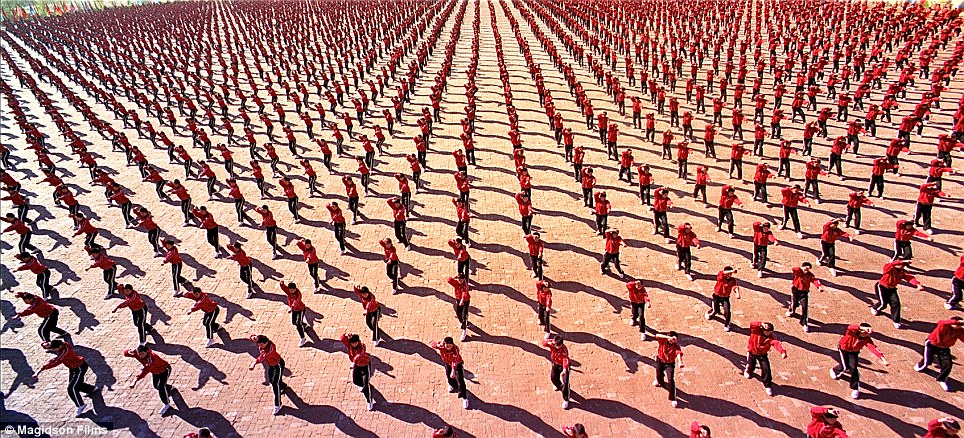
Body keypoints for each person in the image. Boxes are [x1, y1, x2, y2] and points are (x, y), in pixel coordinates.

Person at [32, 340, 96, 417]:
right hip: (73, 368)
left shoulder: (64, 353)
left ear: (59, 347)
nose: (52, 350)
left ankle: (81, 405)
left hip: (79, 368)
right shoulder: (64, 345)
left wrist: (40, 370)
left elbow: (54, 361)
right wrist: (46, 344)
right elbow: (49, 346)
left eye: (53, 349)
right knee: (76, 384)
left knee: (71, 388)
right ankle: (91, 389)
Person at [831, 323, 889, 399]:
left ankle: (855, 388)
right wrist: (861, 327)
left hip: (854, 352)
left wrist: (883, 358)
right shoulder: (852, 333)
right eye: (864, 332)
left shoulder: (867, 339)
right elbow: (850, 327)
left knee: (854, 368)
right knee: (845, 367)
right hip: (843, 349)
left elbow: (873, 348)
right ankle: (835, 370)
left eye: (867, 333)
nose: (865, 334)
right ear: (860, 330)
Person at [914, 317, 964, 392]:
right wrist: (957, 321)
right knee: (927, 361)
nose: (958, 326)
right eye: (956, 324)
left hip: (944, 348)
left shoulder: (959, 331)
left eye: (959, 325)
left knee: (948, 364)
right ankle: (920, 366)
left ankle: (942, 379)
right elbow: (942, 322)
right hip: (932, 344)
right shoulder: (944, 326)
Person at [124, 345, 175, 414]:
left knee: (161, 387)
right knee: (155, 386)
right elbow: (125, 354)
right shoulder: (138, 354)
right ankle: (170, 388)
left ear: (147, 352)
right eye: (139, 354)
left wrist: (135, 380)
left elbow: (145, 370)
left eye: (142, 354)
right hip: (154, 372)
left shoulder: (152, 359)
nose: (140, 356)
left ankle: (166, 404)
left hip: (164, 370)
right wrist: (130, 351)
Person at [873, 259, 924, 328]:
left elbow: (910, 278)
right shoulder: (889, 269)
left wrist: (918, 285)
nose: (902, 266)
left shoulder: (902, 272)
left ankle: (896, 321)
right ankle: (875, 308)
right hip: (882, 287)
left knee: (896, 303)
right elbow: (890, 265)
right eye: (901, 264)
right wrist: (901, 261)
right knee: (883, 303)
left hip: (892, 289)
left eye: (903, 265)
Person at [248, 334, 287, 415]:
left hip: (278, 366)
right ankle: (283, 386)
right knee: (272, 381)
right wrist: (253, 337)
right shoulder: (263, 343)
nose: (259, 346)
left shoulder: (270, 349)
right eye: (258, 344)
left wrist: (254, 363)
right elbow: (252, 338)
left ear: (266, 342)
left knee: (275, 385)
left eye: (261, 344)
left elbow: (262, 357)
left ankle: (278, 404)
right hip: (271, 366)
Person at [745, 322, 787, 395]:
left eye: (770, 332)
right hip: (752, 352)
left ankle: (767, 385)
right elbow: (752, 324)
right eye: (767, 331)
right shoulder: (756, 331)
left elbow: (776, 344)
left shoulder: (771, 337)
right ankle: (748, 371)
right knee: (751, 365)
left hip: (762, 355)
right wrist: (760, 324)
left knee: (766, 369)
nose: (768, 333)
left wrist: (782, 352)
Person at [430, 337, 469, 409]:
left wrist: (453, 371)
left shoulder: (455, 349)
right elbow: (432, 344)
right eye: (447, 346)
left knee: (461, 380)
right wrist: (438, 344)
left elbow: (455, 361)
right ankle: (453, 385)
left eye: (450, 346)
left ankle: (465, 397)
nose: (448, 348)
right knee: (448, 376)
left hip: (457, 364)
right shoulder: (442, 346)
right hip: (447, 363)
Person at [340, 332, 375, 411]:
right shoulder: (349, 345)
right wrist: (346, 335)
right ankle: (365, 386)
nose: (354, 344)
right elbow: (342, 339)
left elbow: (359, 356)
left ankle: (369, 401)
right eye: (353, 343)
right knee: (356, 381)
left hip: (365, 366)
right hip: (357, 366)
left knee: (366, 385)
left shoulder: (362, 347)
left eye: (355, 343)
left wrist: (353, 363)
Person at [653, 331, 684, 408]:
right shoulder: (663, 341)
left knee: (671, 379)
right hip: (660, 360)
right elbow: (657, 335)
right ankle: (659, 380)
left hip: (670, 364)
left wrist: (680, 362)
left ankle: (673, 397)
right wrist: (668, 337)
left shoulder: (676, 346)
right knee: (659, 374)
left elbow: (679, 353)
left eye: (674, 339)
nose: (672, 341)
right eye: (671, 339)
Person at [541, 333, 571, 409]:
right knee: (553, 378)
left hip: (563, 367)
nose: (556, 347)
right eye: (555, 345)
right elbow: (543, 343)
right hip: (555, 364)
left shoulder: (564, 350)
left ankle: (566, 399)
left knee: (565, 384)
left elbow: (565, 360)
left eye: (558, 345)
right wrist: (548, 343)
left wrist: (564, 370)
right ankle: (559, 386)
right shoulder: (552, 343)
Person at [706, 267, 740, 331]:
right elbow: (722, 272)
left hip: (725, 297)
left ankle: (727, 324)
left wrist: (738, 294)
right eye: (728, 273)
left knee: (727, 311)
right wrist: (732, 271)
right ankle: (711, 313)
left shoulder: (733, 280)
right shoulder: (721, 277)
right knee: (715, 309)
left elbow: (735, 287)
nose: (729, 275)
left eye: (731, 274)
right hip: (717, 296)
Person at [279, 281, 308, 347]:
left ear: (295, 289)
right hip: (294, 310)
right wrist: (281, 284)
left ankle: (303, 338)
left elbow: (296, 302)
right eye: (290, 290)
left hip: (300, 310)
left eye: (292, 290)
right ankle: (304, 325)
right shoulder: (288, 291)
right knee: (294, 322)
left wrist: (291, 308)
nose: (291, 291)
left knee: (298, 324)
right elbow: (284, 288)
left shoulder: (298, 295)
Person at [448, 274, 471, 341]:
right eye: (459, 280)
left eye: (461, 280)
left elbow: (464, 293)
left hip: (465, 301)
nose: (460, 281)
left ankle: (464, 331)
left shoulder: (465, 285)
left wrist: (462, 300)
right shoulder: (456, 283)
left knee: (464, 315)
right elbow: (449, 280)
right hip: (458, 300)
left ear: (464, 279)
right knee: (458, 313)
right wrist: (453, 277)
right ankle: (462, 322)